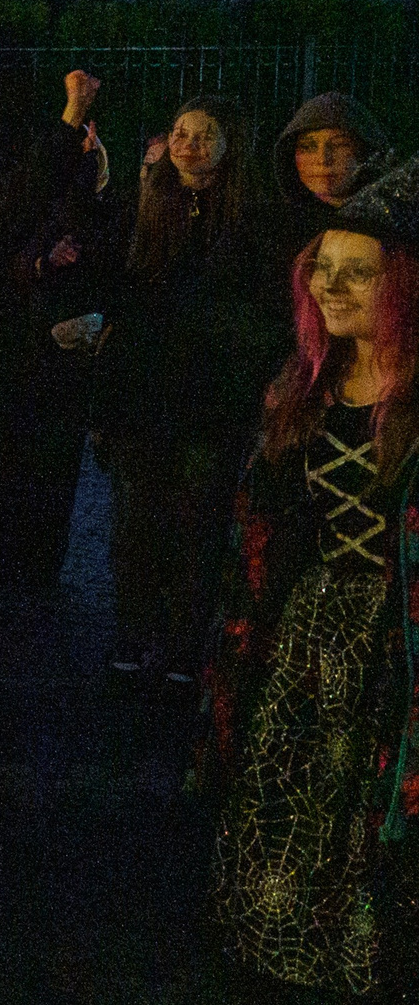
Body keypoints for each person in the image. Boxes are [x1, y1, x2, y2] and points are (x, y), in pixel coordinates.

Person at [203, 153, 419, 1002]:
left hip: (393, 651)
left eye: (357, 273)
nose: (333, 287)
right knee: (288, 813)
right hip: (309, 634)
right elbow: (258, 540)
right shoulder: (303, 388)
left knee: (370, 834)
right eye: (322, 269)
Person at [94, 94, 288, 689]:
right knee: (138, 517)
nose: (188, 145)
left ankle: (183, 641)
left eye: (204, 135)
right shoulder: (146, 204)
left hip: (214, 394)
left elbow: (266, 306)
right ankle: (134, 630)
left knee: (198, 518)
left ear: (231, 145)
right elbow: (117, 280)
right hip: (147, 390)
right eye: (181, 132)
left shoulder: (253, 216)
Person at [0, 71, 116, 590]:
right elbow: (6, 242)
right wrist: (39, 264)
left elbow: (109, 251)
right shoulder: (25, 188)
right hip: (23, 347)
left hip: (69, 355)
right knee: (10, 463)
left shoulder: (93, 191)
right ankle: (0, 579)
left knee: (53, 471)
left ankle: (32, 579)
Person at [273, 91, 391, 259]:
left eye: (339, 144)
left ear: (365, 151)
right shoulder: (276, 230)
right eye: (308, 147)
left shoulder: (389, 227)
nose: (323, 159)